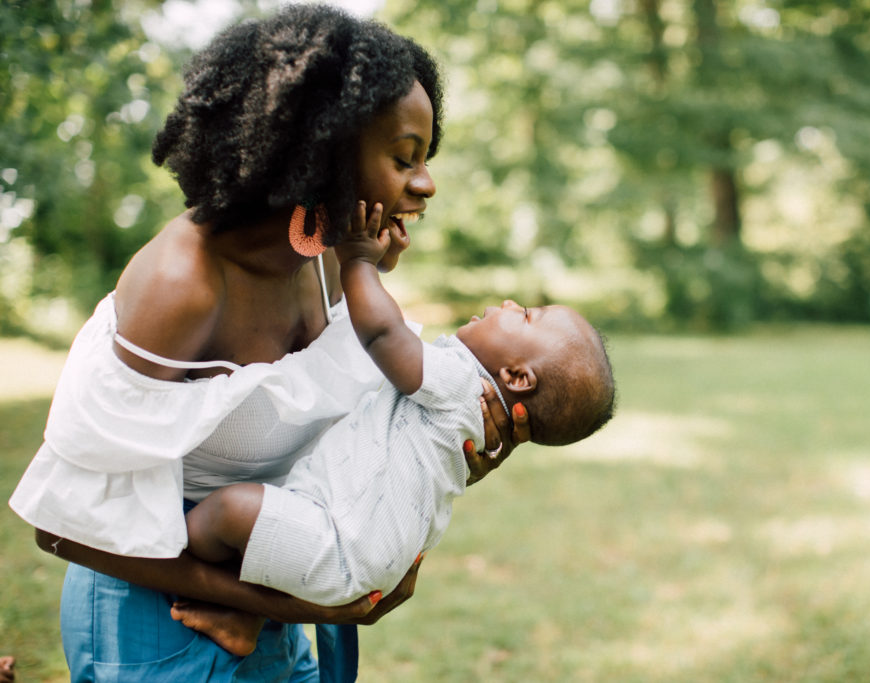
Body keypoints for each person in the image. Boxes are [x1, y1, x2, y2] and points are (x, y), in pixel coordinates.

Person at [8, 5, 528, 681]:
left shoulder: (334, 259)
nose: (426, 183)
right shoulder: (182, 284)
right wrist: (314, 606)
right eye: (405, 157)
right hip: (157, 615)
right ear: (325, 145)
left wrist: (439, 457)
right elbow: (64, 527)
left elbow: (337, 438)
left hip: (261, 589)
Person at [172, 202, 617, 656]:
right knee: (251, 520)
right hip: (365, 553)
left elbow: (384, 334)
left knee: (227, 512)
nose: (508, 304)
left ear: (518, 378)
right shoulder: (481, 424)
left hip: (339, 542)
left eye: (524, 315)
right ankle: (248, 616)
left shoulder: (462, 385)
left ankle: (204, 585)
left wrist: (360, 261)